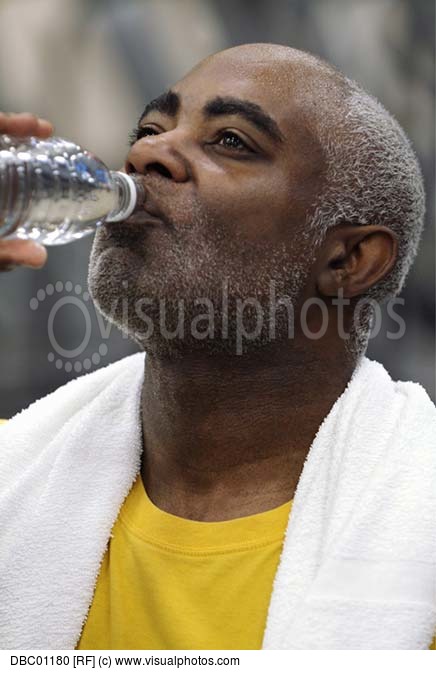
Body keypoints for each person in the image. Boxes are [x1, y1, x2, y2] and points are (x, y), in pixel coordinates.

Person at [0, 44, 435, 651]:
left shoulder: (421, 532)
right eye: (150, 129)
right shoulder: (15, 472)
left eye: (231, 140)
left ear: (347, 259)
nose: (145, 153)